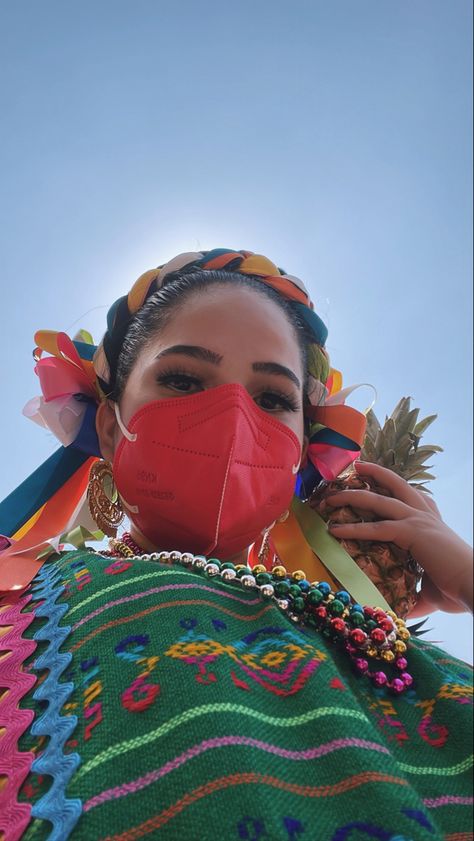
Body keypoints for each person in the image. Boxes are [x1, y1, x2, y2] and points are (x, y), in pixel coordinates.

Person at [0, 249, 472, 841]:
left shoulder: (366, 643)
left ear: (303, 448)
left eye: (273, 398)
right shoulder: (24, 602)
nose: (232, 416)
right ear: (109, 425)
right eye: (182, 380)